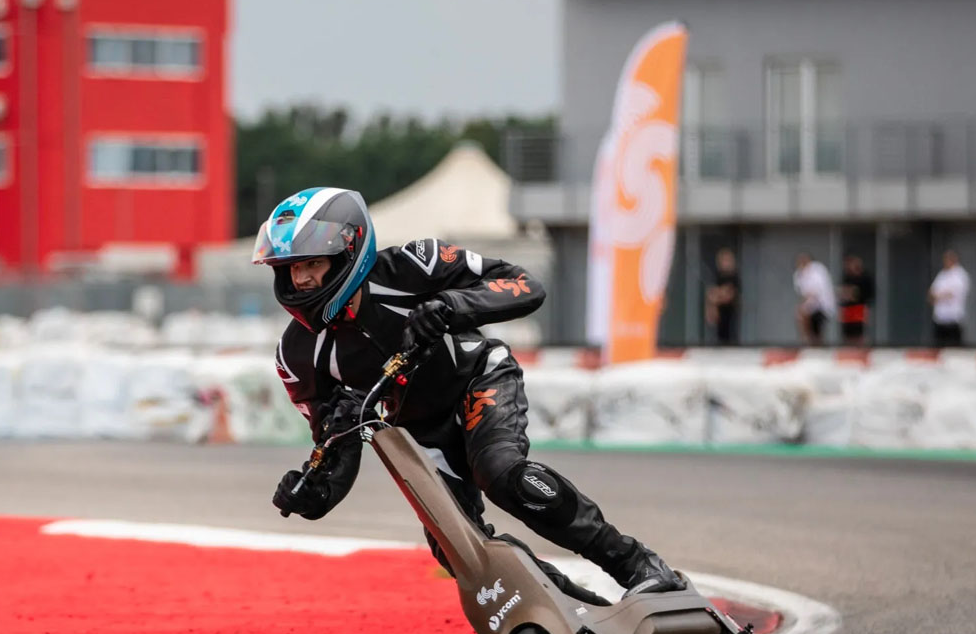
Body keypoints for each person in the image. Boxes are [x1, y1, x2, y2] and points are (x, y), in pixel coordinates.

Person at [253, 186, 685, 601]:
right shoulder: (295, 356)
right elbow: (336, 445)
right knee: (455, 545)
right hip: (421, 435)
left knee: (500, 473)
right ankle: (577, 612)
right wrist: (316, 494)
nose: (302, 280)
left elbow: (523, 284)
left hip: (478, 378)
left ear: (349, 250)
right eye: (292, 268)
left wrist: (451, 307)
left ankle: (639, 566)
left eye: (313, 264)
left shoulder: (412, 264)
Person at [927, 249, 970, 347]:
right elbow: (931, 293)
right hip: (940, 319)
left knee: (954, 350)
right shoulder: (942, 274)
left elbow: (952, 294)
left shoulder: (960, 275)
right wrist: (939, 296)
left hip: (953, 320)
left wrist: (938, 296)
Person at [793, 252, 836, 346]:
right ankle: (806, 340)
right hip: (811, 303)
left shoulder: (818, 270)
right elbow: (802, 293)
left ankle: (815, 343)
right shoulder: (798, 274)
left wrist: (804, 305)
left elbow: (816, 292)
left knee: (816, 327)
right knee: (801, 316)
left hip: (822, 304)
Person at [837, 254, 875, 347]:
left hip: (860, 308)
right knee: (848, 333)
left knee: (859, 332)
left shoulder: (865, 277)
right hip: (848, 309)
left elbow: (869, 295)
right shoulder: (847, 277)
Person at [705, 247, 741, 345]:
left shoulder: (734, 277)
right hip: (718, 321)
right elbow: (710, 294)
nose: (724, 263)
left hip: (731, 319)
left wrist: (717, 295)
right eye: (722, 260)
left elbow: (728, 295)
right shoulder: (718, 277)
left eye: (727, 260)